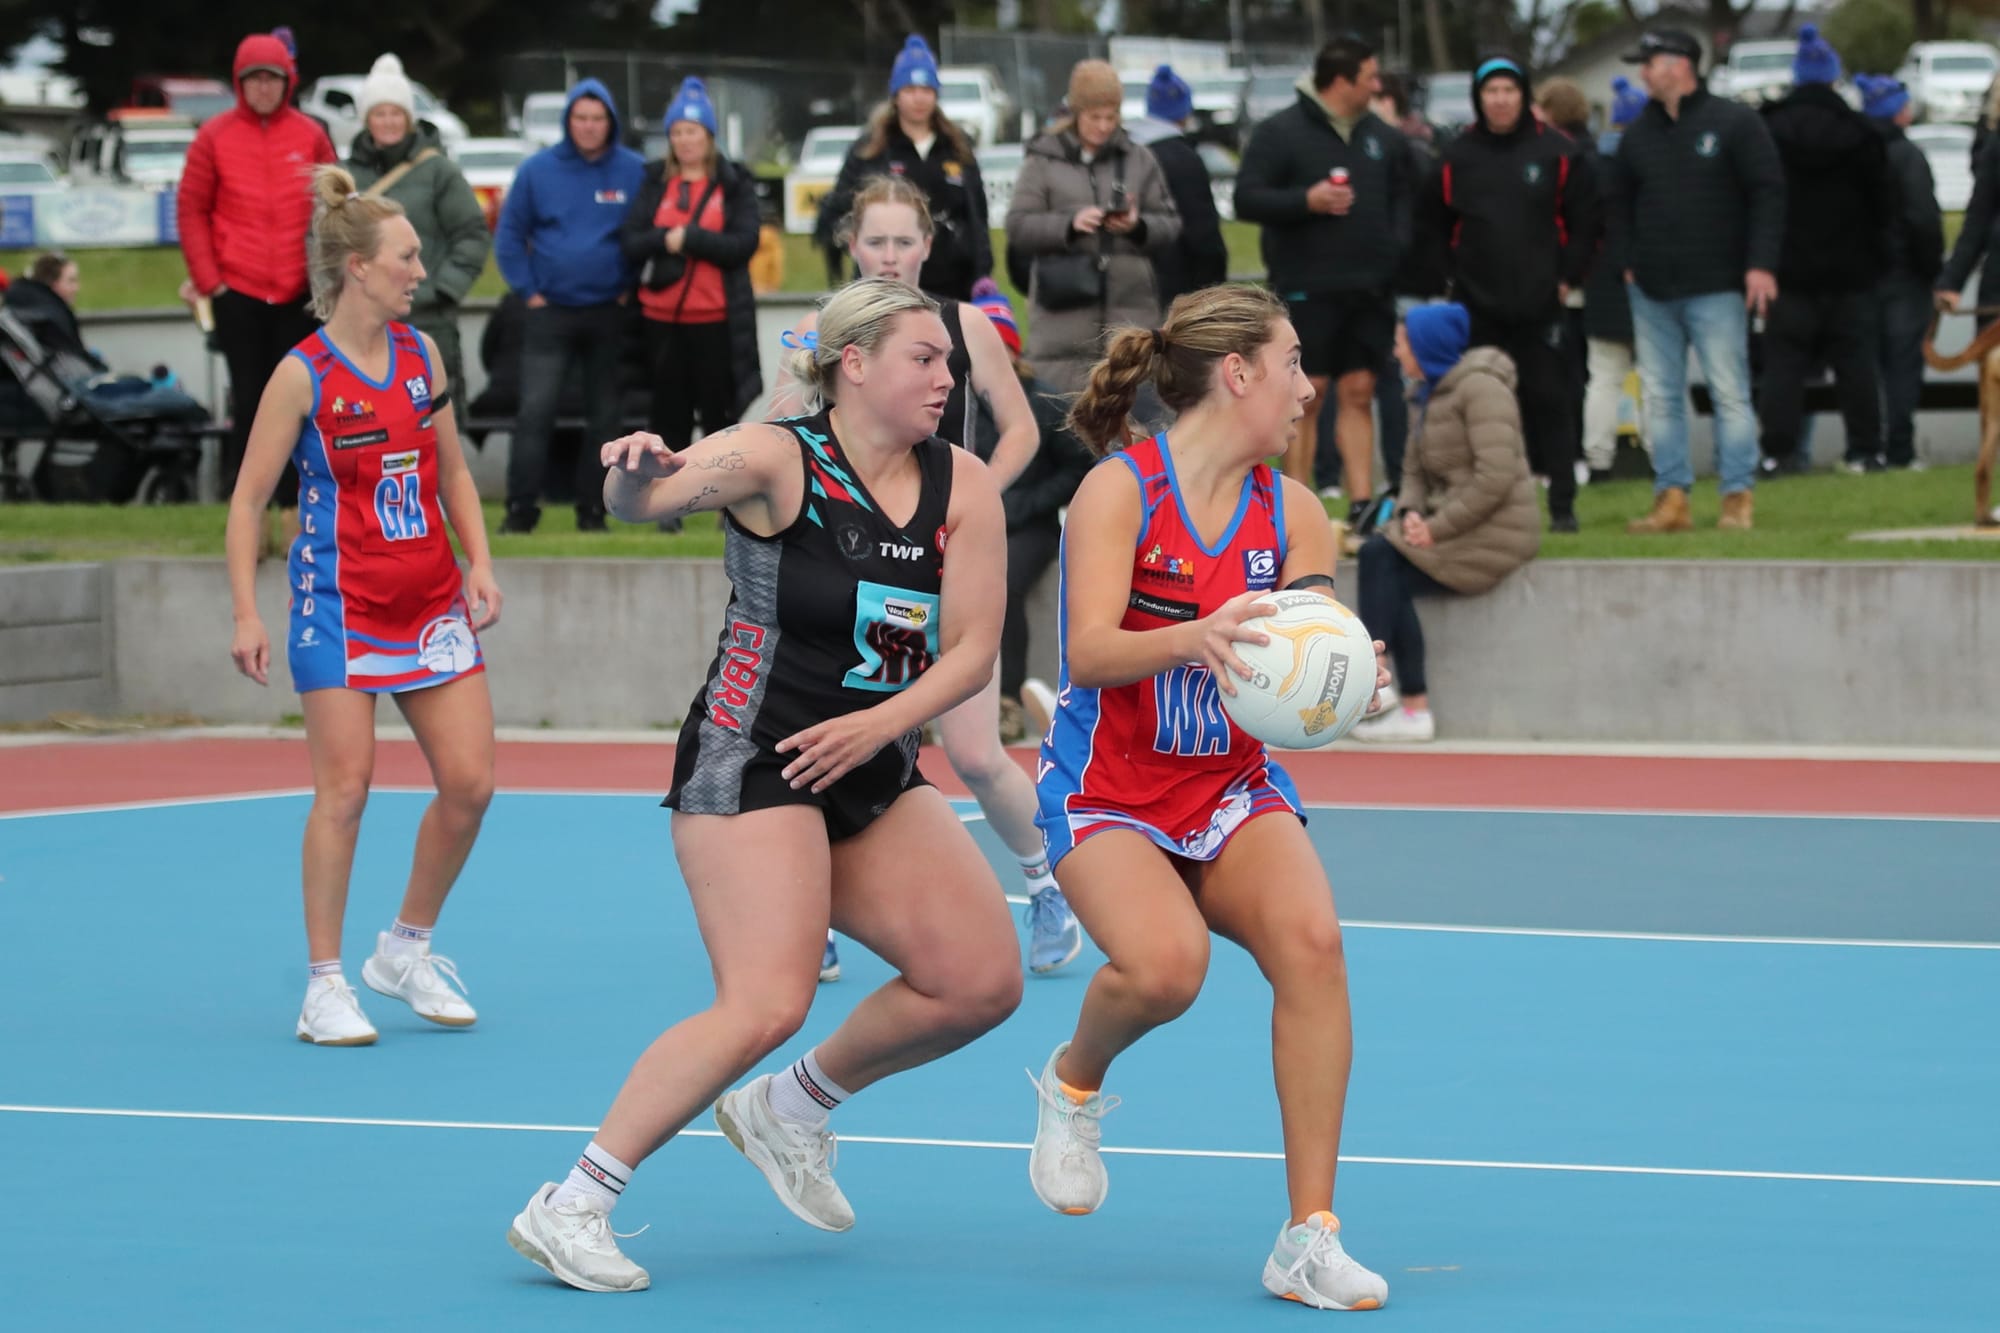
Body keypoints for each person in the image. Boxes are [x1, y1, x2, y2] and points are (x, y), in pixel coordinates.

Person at [505, 279, 1023, 1294]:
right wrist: (632, 475)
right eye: (924, 358)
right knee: (764, 1001)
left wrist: (880, 725)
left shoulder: (961, 483)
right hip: (753, 757)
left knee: (978, 981)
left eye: (949, 362)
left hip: (865, 761)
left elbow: (972, 649)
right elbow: (648, 497)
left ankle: (788, 1108)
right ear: (854, 363)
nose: (945, 379)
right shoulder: (777, 456)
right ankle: (571, 1203)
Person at [1026, 283, 1390, 1311]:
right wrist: (1194, 635)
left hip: (1228, 783)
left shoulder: (1294, 511)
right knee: (1165, 968)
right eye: (1292, 362)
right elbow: (1088, 651)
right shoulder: (1119, 493)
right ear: (1237, 373)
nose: (1306, 387)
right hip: (1109, 785)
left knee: (1313, 945)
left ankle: (1308, 1237)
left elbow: (1310, 644)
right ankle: (1073, 1079)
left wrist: (1348, 673)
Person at [767, 178, 1079, 981]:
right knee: (817, 743)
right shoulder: (824, 337)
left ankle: (1047, 882)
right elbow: (771, 433)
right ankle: (811, 909)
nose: (889, 255)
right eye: (875, 241)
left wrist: (967, 506)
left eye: (904, 241)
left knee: (974, 753)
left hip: (942, 572)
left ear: (928, 247)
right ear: (851, 246)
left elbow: (1021, 431)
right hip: (846, 575)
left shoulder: (963, 326)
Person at [224, 166, 501, 1047]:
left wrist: (479, 560)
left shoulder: (423, 357)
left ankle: (405, 950)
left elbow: (452, 470)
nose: (420, 271)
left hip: (429, 600)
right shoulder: (302, 375)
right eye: (406, 257)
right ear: (357, 267)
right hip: (338, 606)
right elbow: (248, 500)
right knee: (345, 791)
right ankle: (324, 984)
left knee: (471, 784)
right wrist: (246, 611)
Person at [1235, 36, 1411, 531]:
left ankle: (1360, 504)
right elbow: (1247, 198)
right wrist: (1304, 201)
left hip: (1369, 289)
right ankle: (1294, 507)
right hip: (1305, 287)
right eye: (1369, 78)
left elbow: (1403, 202)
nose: (1377, 87)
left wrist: (1393, 249)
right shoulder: (1280, 133)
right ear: (1340, 82)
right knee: (1306, 392)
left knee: (1359, 389)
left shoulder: (1385, 138)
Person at [1611, 28, 1783, 534]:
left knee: (1729, 393)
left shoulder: (1735, 123)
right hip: (1652, 289)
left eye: (1650, 63)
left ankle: (1737, 497)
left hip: (1718, 284)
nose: (1643, 74)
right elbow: (1617, 204)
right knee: (1661, 397)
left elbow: (1768, 193)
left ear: (1680, 65)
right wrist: (1627, 259)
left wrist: (1761, 264)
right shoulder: (1637, 135)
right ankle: (1672, 499)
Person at [1421, 56, 1598, 534]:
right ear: (1478, 98)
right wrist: (1448, 279)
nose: (1500, 100)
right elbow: (1432, 225)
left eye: (1509, 90)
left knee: (1551, 399)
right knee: (1484, 409)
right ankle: (1485, 508)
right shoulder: (1456, 157)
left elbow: (1586, 222)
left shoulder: (1559, 153)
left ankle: (1563, 504)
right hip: (1477, 306)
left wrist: (1568, 276)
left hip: (1541, 304)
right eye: (1491, 91)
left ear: (1523, 96)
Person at [1352, 304, 1540, 743]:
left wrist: (1436, 529)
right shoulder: (1425, 394)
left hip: (1497, 530)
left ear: (1425, 346)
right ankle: (1407, 705)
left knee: (1382, 560)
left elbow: (1495, 478)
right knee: (1381, 560)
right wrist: (1410, 514)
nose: (1396, 352)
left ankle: (1389, 689)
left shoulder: (1482, 390)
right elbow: (1413, 472)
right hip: (1450, 525)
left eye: (1402, 343)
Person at [177, 30, 335, 509]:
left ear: (288, 82)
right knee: (248, 400)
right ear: (239, 83)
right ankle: (247, 504)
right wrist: (212, 283)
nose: (264, 88)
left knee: (302, 401)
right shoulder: (213, 136)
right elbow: (191, 210)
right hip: (239, 294)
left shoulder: (311, 135)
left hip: (299, 294)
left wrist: (327, 280)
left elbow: (337, 207)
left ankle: (298, 502)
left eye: (272, 78)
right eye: (254, 79)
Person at [494, 78, 646, 533]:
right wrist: (529, 292)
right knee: (535, 412)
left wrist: (629, 286)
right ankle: (520, 511)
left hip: (609, 312)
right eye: (581, 118)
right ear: (568, 121)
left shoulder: (634, 170)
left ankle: (594, 510)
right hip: (550, 312)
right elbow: (508, 236)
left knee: (606, 417)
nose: (589, 126)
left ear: (611, 122)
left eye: (598, 118)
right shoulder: (537, 171)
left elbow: (647, 234)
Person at [621, 77, 765, 530]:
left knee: (720, 416)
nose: (685, 140)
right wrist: (666, 238)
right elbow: (631, 241)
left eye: (693, 131)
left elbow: (743, 244)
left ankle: (726, 504)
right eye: (678, 132)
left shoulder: (733, 183)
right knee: (669, 416)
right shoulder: (653, 181)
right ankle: (667, 507)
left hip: (717, 319)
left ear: (709, 136)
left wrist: (691, 239)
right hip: (661, 320)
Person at [1755, 26, 1890, 476]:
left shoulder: (1769, 129)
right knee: (1856, 365)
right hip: (1851, 271)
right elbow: (1883, 205)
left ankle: (1778, 452)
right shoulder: (1861, 133)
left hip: (1788, 269)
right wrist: (1877, 260)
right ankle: (1865, 449)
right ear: (1834, 77)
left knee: (1784, 367)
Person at [1006, 61, 1182, 397]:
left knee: (1134, 418)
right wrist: (1069, 225)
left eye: (1111, 117)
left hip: (1129, 316)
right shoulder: (1042, 161)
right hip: (1061, 325)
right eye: (1094, 117)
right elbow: (1018, 225)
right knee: (1065, 417)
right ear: (1076, 112)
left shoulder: (1139, 159)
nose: (1103, 126)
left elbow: (1170, 224)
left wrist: (1137, 226)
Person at [967, 279, 1094, 745]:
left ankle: (1006, 700)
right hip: (969, 525)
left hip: (1029, 527)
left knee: (1003, 583)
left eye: (999, 349)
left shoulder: (1041, 401)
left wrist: (1025, 503)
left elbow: (1078, 468)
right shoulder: (955, 401)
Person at [342, 54, 490, 407]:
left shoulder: (440, 172)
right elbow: (323, 239)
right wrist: (337, 292)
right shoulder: (346, 175)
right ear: (366, 119)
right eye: (380, 113)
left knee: (434, 412)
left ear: (409, 118)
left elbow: (471, 232)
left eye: (397, 113)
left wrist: (443, 290)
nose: (389, 122)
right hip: (363, 318)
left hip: (426, 316)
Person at [815, 35, 990, 302]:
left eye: (926, 90)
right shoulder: (870, 151)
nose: (919, 98)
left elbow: (977, 218)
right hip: (884, 291)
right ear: (896, 95)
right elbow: (838, 211)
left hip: (953, 287)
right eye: (910, 89)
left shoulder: (958, 148)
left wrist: (982, 273)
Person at [1857, 75, 1942, 472]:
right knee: (1902, 365)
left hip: (1861, 275)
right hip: (1903, 274)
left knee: (1867, 364)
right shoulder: (1907, 156)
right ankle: (1900, 448)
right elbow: (1923, 219)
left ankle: (1866, 446)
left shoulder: (1854, 153)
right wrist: (1932, 269)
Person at [1575, 76, 1651, 482]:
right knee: (1656, 377)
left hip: (1602, 282)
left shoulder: (1590, 168)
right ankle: (1660, 455)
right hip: (1650, 280)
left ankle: (1598, 460)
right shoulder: (1651, 166)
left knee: (1603, 377)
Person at [1124, 64, 1229, 307]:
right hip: (1176, 280)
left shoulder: (1126, 151)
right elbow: (1201, 229)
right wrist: (1213, 284)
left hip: (1131, 281)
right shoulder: (1183, 159)